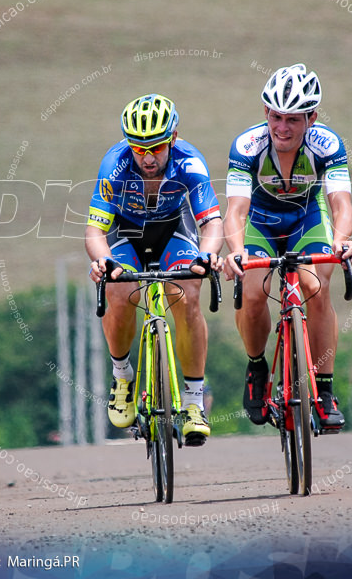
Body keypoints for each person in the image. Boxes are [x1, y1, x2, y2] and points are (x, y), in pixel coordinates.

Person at [223, 64, 352, 429]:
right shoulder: (247, 145)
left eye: (293, 120)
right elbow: (235, 211)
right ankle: (256, 367)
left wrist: (342, 242)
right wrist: (236, 250)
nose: (282, 127)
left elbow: (341, 204)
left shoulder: (328, 144)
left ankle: (324, 390)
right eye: (276, 116)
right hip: (260, 224)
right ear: (265, 112)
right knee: (252, 292)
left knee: (316, 287)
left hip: (307, 220)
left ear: (311, 117)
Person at [85, 93, 224, 446]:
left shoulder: (190, 162)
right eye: (138, 148)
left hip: (174, 230)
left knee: (188, 291)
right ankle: (122, 377)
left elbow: (212, 224)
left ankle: (193, 402)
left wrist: (207, 256)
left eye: (157, 147)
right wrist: (103, 261)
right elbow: (95, 232)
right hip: (126, 234)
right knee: (118, 290)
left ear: (173, 138)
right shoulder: (114, 165)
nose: (147, 157)